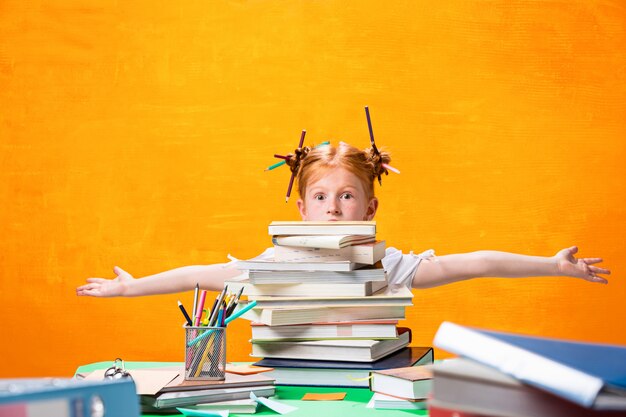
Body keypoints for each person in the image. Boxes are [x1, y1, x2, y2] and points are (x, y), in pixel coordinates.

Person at [76, 142, 610, 298]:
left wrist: (551, 265)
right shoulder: (278, 260)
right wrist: (132, 288)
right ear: (302, 209)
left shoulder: (387, 266)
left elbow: (472, 263)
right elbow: (199, 274)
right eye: (323, 196)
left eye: (348, 196)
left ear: (370, 209)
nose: (334, 208)